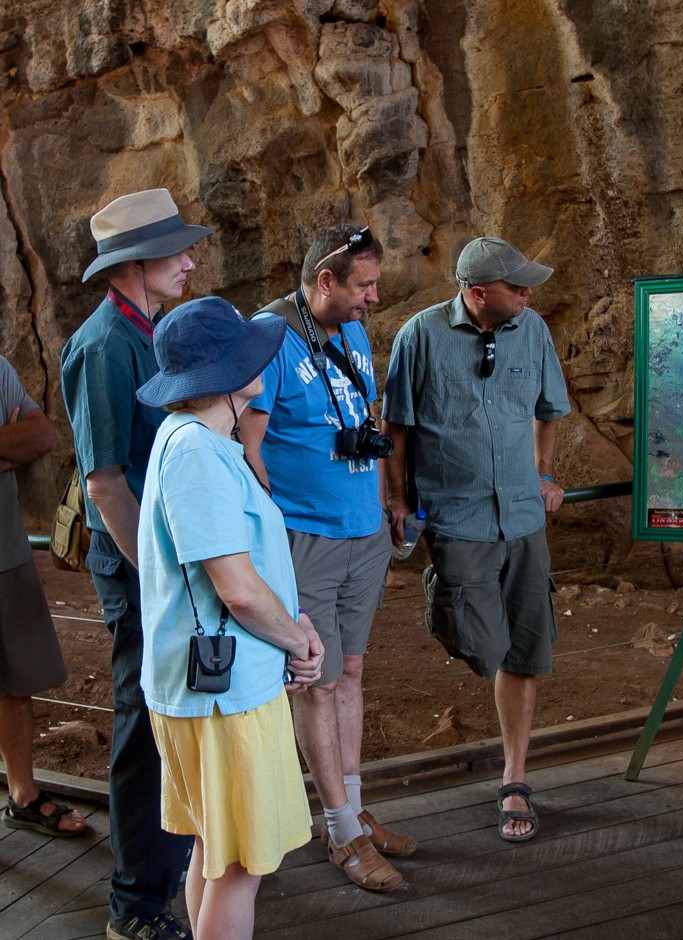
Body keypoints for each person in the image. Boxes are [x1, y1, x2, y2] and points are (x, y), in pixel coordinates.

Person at [136, 296, 324, 940]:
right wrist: (297, 639)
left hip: (218, 682)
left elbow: (254, 576)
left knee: (215, 853)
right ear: (226, 376)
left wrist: (295, 621)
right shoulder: (198, 452)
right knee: (240, 865)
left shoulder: (197, 440)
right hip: (223, 692)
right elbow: (238, 590)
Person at [238, 225, 409, 891]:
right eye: (362, 285)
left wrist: (385, 502)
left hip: (361, 530)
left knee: (353, 671)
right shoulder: (270, 338)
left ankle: (356, 814)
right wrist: (270, 540)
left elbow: (362, 414)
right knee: (319, 677)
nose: (373, 296)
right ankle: (339, 831)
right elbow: (250, 449)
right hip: (304, 537)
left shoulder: (352, 332)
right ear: (325, 281)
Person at [381, 236, 569, 842]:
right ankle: (445, 600)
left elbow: (548, 409)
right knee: (477, 640)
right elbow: (397, 427)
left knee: (523, 650)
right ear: (478, 291)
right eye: (518, 286)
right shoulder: (420, 335)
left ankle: (515, 777)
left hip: (521, 517)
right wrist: (398, 499)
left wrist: (543, 475)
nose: (529, 293)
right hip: (457, 517)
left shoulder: (532, 328)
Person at [61, 188, 208, 940]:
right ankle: (135, 904)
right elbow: (105, 481)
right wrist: (157, 577)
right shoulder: (102, 346)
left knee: (170, 717)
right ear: (138, 263)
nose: (190, 260)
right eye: (178, 250)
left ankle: (171, 874)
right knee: (144, 727)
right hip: (143, 577)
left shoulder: (148, 329)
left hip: (169, 568)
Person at [0, 355, 89, 839]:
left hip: (5, 549)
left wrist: (19, 443)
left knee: (14, 680)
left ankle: (23, 794)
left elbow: (41, 437)